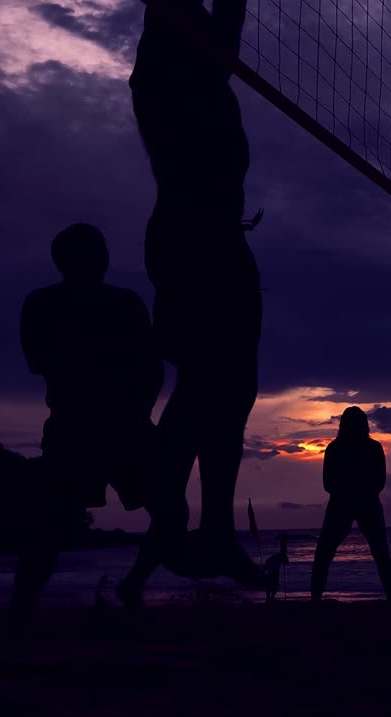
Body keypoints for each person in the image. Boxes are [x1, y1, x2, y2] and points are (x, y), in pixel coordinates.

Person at [126, 0, 266, 591]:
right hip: (191, 239)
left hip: (219, 241)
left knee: (229, 391)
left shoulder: (205, 81)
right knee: (206, 386)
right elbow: (210, 28)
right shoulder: (163, 76)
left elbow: (225, 31)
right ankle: (175, 525)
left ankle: (208, 533)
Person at [13, 224, 165, 618]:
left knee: (51, 525)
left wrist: (138, 408)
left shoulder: (46, 303)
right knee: (51, 525)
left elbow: (150, 365)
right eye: (95, 251)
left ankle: (23, 611)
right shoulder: (113, 303)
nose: (101, 258)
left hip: (102, 423)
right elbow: (150, 365)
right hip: (93, 424)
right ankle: (23, 611)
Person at [311, 408, 391, 602]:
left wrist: (349, 491)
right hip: (358, 503)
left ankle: (315, 599)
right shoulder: (367, 448)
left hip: (349, 503)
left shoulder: (338, 448)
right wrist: (360, 491)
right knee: (380, 553)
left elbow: (329, 484)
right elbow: (378, 482)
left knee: (324, 553)